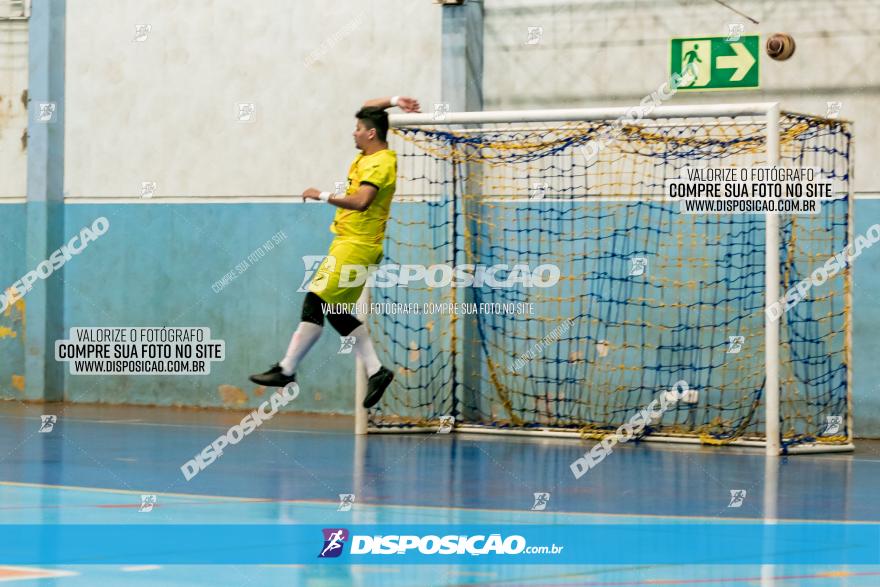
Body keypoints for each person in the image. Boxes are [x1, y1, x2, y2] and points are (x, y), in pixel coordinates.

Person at [250, 96, 421, 410]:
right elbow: (371, 104)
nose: (353, 133)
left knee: (315, 300)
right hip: (351, 244)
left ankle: (286, 369)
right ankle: (377, 371)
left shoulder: (381, 162)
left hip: (356, 246)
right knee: (336, 312)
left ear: (371, 134)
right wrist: (396, 100)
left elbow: (361, 201)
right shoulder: (371, 155)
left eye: (358, 129)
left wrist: (322, 195)